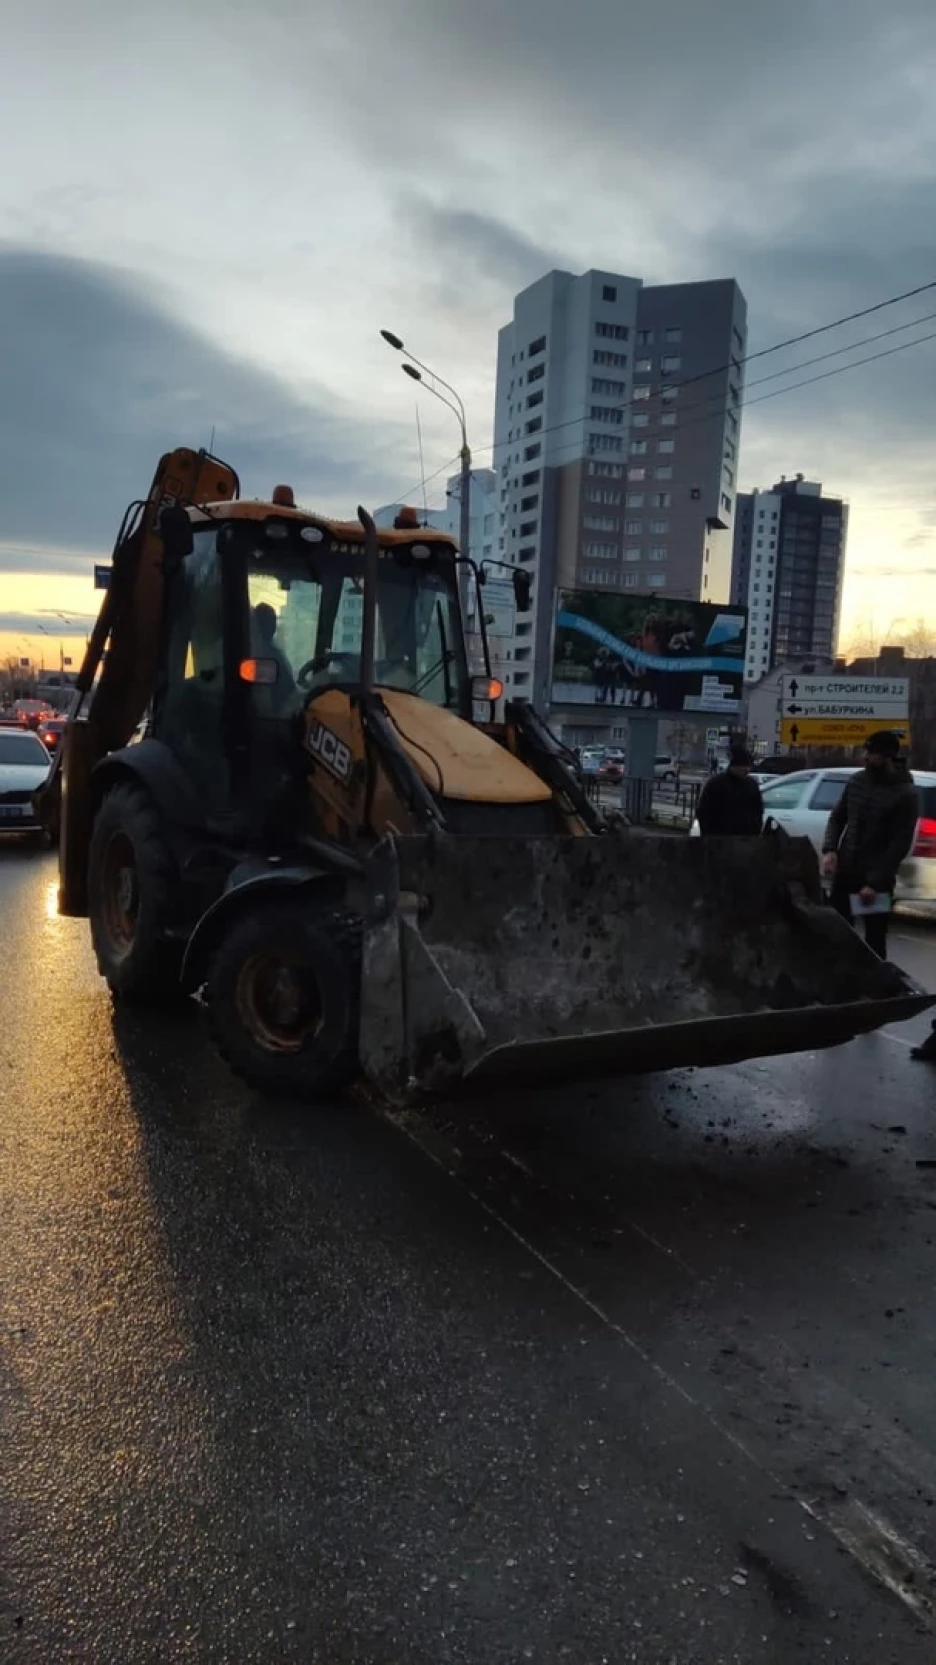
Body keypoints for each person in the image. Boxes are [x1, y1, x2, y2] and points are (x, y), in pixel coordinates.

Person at [820, 730, 918, 959]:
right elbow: (838, 817)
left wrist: (874, 883)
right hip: (846, 874)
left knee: (874, 939)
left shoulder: (905, 794)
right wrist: (830, 849)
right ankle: (841, 988)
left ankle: (875, 991)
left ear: (887, 758)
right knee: (838, 933)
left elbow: (899, 845)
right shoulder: (857, 781)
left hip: (876, 882)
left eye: (871, 753)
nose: (865, 757)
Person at [696, 744, 763, 836]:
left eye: (749, 766)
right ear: (733, 766)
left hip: (745, 840)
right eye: (743, 766)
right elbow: (704, 812)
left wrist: (755, 833)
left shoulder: (752, 785)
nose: (747, 770)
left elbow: (758, 811)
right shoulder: (716, 784)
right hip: (719, 840)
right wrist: (708, 836)